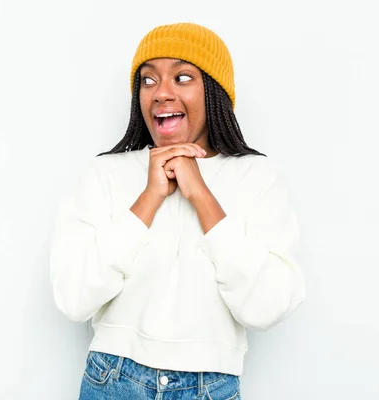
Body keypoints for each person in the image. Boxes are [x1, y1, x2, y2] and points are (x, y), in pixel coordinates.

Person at [50, 22, 306, 400]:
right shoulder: (107, 174)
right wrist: (149, 197)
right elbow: (73, 298)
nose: (161, 93)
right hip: (113, 380)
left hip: (210, 386)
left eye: (182, 77)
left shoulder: (257, 177)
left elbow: (268, 306)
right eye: (148, 81)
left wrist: (201, 195)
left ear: (214, 92)